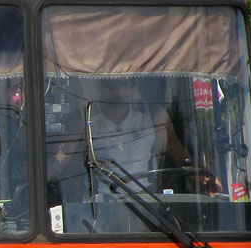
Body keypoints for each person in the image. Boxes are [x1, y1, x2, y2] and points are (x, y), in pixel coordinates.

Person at [47, 77, 202, 201]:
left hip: (144, 202)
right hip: (99, 205)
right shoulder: (83, 118)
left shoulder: (154, 115)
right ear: (100, 86)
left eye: (124, 84)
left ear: (132, 87)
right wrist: (44, 183)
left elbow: (179, 155)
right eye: (111, 86)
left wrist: (202, 176)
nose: (119, 91)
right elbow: (60, 158)